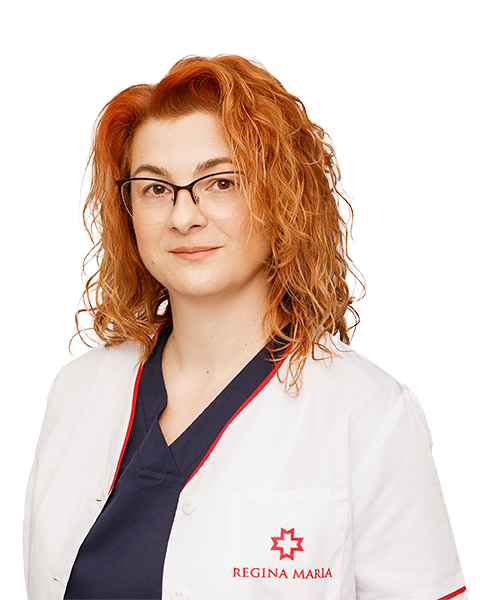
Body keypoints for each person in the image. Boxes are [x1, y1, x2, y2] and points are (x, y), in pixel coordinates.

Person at [23, 54, 467, 600]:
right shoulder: (77, 392)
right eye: (155, 188)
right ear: (129, 210)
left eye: (221, 182)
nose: (184, 217)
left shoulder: (369, 414)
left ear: (282, 197)